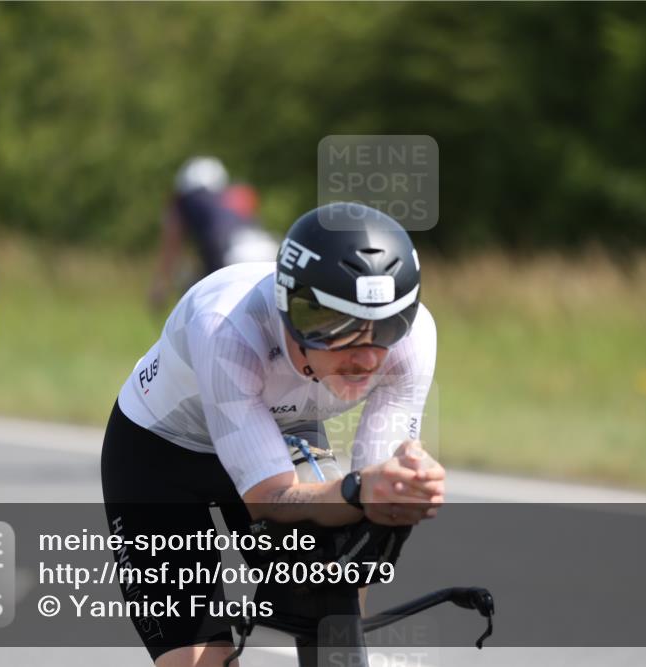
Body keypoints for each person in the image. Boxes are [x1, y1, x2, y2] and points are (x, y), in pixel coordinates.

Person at [102, 202, 445, 667]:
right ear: (298, 315)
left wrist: (398, 492)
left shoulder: (413, 338)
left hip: (283, 432)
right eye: (344, 329)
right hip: (162, 456)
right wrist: (358, 490)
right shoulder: (227, 327)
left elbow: (369, 496)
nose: (367, 358)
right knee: (200, 661)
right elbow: (269, 498)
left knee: (334, 595)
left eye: (388, 326)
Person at [149, 156, 279, 310]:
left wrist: (161, 284)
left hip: (231, 257)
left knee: (194, 298)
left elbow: (172, 243)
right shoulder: (235, 193)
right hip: (269, 251)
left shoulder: (185, 201)